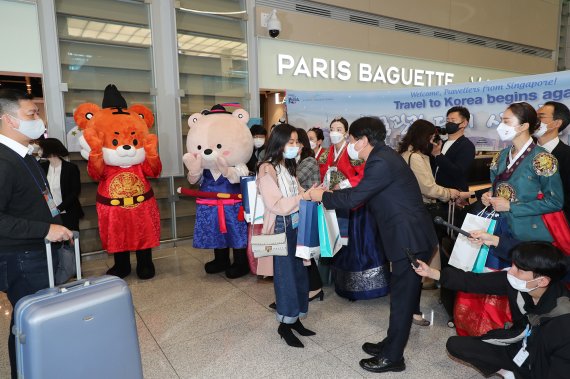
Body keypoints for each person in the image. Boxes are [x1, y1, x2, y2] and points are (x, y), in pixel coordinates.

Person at [309, 117, 438, 373]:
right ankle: (391, 343)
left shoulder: (380, 160)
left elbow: (356, 198)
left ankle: (393, 358)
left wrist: (321, 195)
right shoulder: (383, 156)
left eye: (352, 139)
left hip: (409, 238)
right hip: (406, 235)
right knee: (400, 297)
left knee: (402, 299)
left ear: (363, 139)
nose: (350, 144)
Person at [414, 241, 570, 379]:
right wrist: (431, 272)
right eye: (513, 265)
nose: (510, 272)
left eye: (519, 270)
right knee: (456, 345)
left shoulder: (563, 322)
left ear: (541, 281)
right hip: (519, 345)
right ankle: (509, 371)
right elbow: (472, 281)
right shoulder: (518, 283)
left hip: (540, 363)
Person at [0, 89, 74, 379]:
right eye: (31, 114)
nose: (38, 119)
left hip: (38, 251)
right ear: (8, 120)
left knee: (39, 317)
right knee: (28, 321)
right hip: (21, 256)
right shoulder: (3, 161)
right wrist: (46, 228)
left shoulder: (25, 156)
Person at [398, 119, 469, 325]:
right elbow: (429, 188)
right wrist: (451, 193)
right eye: (431, 138)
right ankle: (413, 310)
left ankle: (410, 307)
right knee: (419, 264)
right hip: (422, 213)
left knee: (416, 263)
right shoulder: (416, 157)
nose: (433, 142)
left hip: (412, 213)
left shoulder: (407, 154)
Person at [257, 123, 316, 348]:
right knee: (285, 278)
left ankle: (296, 318)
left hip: (296, 226)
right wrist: (305, 197)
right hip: (281, 230)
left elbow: (299, 192)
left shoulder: (288, 166)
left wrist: (309, 194)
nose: (295, 146)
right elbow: (277, 205)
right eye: (290, 142)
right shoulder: (267, 169)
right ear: (279, 143)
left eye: (297, 142)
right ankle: (284, 324)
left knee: (300, 273)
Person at [321, 116, 389, 301]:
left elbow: (365, 176)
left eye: (339, 128)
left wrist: (344, 184)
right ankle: (343, 283)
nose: (335, 132)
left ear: (346, 132)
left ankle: (366, 287)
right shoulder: (326, 154)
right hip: (336, 202)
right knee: (340, 244)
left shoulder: (353, 152)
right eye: (332, 128)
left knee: (359, 245)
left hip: (356, 203)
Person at [482, 102, 564, 242]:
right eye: (502, 121)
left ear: (524, 126)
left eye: (506, 121)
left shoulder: (543, 159)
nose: (501, 126)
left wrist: (511, 206)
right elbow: (495, 185)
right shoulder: (500, 156)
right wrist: (489, 195)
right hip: (499, 229)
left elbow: (555, 202)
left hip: (529, 233)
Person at [38, 138, 84, 284]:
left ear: (50, 150)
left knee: (71, 240)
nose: (39, 152)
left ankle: (76, 268)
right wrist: (51, 210)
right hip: (49, 213)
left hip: (68, 211)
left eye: (41, 148)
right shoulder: (41, 167)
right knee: (54, 242)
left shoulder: (71, 168)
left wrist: (59, 209)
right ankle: (58, 269)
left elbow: (74, 191)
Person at [296, 128, 323, 302]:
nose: (291, 145)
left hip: (307, 210)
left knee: (305, 251)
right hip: (297, 209)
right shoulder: (295, 159)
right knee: (299, 252)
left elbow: (293, 178)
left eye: (295, 142)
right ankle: (306, 287)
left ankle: (315, 287)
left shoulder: (309, 161)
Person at [535, 101, 570, 219]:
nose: (534, 120)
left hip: (555, 223)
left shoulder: (567, 156)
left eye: (541, 117)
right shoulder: (522, 152)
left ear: (557, 123)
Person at [431, 106, 476, 193]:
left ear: (464, 123)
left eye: (453, 120)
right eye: (448, 120)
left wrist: (438, 155)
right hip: (437, 193)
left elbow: (458, 172)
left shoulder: (467, 146)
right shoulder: (441, 143)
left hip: (455, 197)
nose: (449, 123)